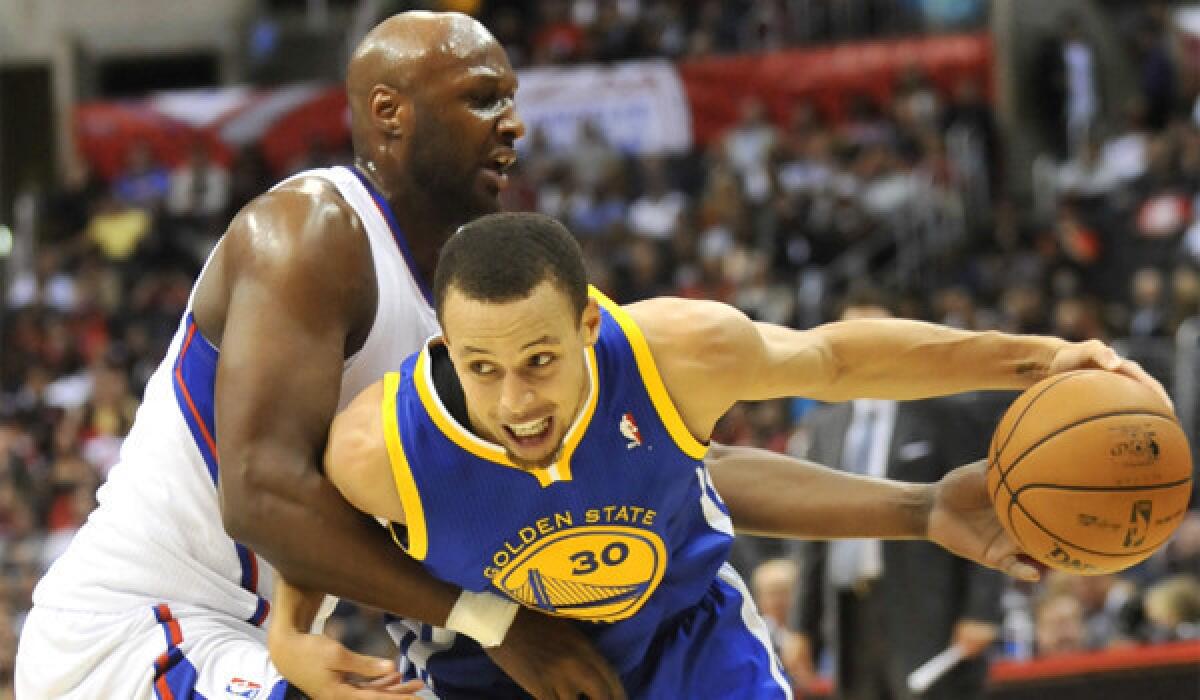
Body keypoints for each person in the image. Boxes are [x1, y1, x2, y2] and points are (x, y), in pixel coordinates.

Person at [268, 211, 1169, 699]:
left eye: (541, 361)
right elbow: (313, 530)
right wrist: (288, 631)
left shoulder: (675, 355)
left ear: (590, 323)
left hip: (682, 637)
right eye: (483, 368)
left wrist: (1037, 359)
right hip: (490, 672)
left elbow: (839, 358)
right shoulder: (379, 447)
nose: (515, 401)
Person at [14, 10, 608, 699]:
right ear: (391, 113)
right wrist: (494, 623)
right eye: (483, 98)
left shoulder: (461, 300)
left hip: (250, 637)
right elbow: (261, 493)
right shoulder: (310, 232)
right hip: (135, 631)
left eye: (511, 100)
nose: (514, 124)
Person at [789, 290, 1003, 700]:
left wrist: (982, 609)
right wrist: (802, 625)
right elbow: (811, 531)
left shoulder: (944, 413)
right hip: (849, 613)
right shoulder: (823, 425)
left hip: (929, 610)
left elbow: (982, 510)